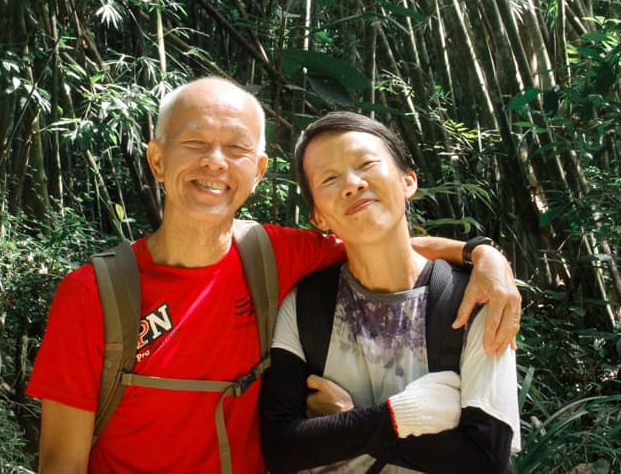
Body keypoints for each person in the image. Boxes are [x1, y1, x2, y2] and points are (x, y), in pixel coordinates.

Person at [26, 77, 521, 473]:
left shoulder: (273, 256)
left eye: (236, 149)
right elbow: (61, 461)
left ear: (259, 170)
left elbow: (377, 234)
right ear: (158, 159)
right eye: (195, 142)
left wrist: (485, 257)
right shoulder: (93, 294)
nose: (214, 163)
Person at [259, 111, 520, 473]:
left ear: (407, 180)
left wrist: (342, 428)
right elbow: (281, 448)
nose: (352, 184)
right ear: (317, 217)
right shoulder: (305, 304)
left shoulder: (474, 298)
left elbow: (483, 457)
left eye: (366, 164)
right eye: (330, 178)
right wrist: (397, 417)